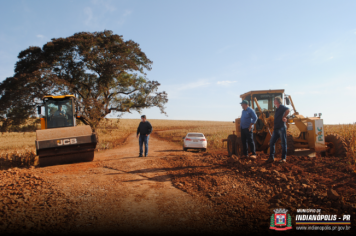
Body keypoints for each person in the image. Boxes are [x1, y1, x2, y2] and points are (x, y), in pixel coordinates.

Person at [266, 96, 290, 163]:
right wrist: (274, 125)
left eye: (274, 100)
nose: (273, 102)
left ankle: (283, 159)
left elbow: (288, 110)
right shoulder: (277, 109)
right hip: (276, 128)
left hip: (281, 128)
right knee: (271, 142)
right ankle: (271, 157)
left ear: (277, 101)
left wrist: (284, 116)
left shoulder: (282, 107)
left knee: (283, 143)